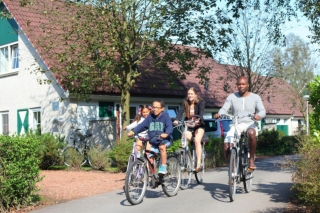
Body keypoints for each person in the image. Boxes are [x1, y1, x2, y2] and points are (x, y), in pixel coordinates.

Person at [214, 76, 266, 170]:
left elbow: (262, 111)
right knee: (226, 146)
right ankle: (233, 170)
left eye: (243, 84)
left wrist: (259, 115)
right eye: (239, 84)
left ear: (247, 85)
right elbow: (224, 109)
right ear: (237, 85)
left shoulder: (255, 97)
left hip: (249, 124)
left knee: (251, 133)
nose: (241, 86)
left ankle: (251, 160)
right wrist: (219, 114)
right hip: (236, 125)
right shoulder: (232, 97)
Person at [128, 99, 173, 175]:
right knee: (150, 157)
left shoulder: (165, 116)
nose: (155, 109)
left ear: (162, 108)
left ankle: (163, 166)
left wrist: (166, 133)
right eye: (153, 107)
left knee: (162, 147)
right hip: (154, 141)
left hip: (165, 140)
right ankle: (153, 176)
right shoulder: (150, 117)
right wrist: (133, 131)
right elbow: (142, 126)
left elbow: (169, 126)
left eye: (157, 107)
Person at [173, 87, 205, 172]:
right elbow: (181, 111)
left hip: (199, 125)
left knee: (197, 141)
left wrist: (199, 119)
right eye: (189, 94)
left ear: (195, 95)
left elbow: (201, 112)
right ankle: (185, 161)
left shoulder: (201, 102)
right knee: (184, 141)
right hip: (189, 125)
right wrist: (176, 119)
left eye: (191, 94)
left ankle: (198, 163)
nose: (190, 95)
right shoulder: (185, 102)